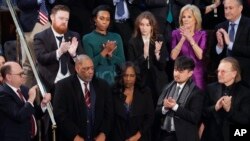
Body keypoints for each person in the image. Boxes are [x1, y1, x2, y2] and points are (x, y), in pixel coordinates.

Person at [34, 5, 84, 93]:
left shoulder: (74, 36)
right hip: (53, 82)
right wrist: (59, 52)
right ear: (52, 17)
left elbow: (83, 60)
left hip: (72, 80)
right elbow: (41, 58)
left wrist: (74, 55)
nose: (64, 22)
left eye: (66, 19)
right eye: (61, 18)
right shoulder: (40, 37)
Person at [201, 57, 250, 141]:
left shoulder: (245, 93)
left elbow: (246, 119)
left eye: (223, 71)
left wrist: (229, 110)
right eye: (218, 71)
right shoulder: (210, 88)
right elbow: (201, 113)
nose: (219, 74)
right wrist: (215, 107)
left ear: (234, 73)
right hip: (211, 136)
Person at [156, 56, 204, 141]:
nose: (176, 74)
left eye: (181, 71)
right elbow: (156, 111)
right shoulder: (167, 87)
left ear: (190, 73)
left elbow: (195, 117)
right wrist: (165, 108)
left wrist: (175, 107)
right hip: (164, 134)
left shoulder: (196, 92)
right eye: (175, 70)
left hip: (182, 136)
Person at [0, 61, 51, 141]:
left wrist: (43, 104)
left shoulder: (24, 89)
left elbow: (32, 114)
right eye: (20, 74)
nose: (23, 76)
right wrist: (31, 99)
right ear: (9, 77)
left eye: (23, 73)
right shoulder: (2, 94)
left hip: (30, 137)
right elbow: (19, 115)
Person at [128, 11, 168, 106]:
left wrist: (157, 54)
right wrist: (144, 56)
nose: (144, 28)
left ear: (152, 26)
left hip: (158, 80)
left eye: (147, 25)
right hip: (142, 80)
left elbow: (163, 66)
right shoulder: (132, 42)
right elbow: (132, 66)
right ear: (138, 26)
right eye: (141, 24)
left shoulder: (159, 38)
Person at [82, 5, 125, 85]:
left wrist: (111, 55)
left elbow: (123, 63)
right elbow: (89, 66)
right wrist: (104, 51)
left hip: (116, 81)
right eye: (101, 18)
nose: (105, 22)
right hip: (96, 81)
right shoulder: (87, 38)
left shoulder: (116, 37)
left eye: (107, 19)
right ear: (95, 19)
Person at [112, 62, 154, 141]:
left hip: (140, 137)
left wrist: (137, 136)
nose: (128, 79)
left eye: (132, 76)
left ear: (136, 76)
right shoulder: (113, 92)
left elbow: (150, 117)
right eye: (125, 75)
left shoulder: (145, 92)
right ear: (121, 76)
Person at [211, 0, 250, 86]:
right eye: (225, 8)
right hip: (224, 77)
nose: (227, 11)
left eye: (231, 8)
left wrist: (230, 44)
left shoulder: (248, 24)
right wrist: (219, 47)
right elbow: (213, 56)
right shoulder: (219, 27)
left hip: (245, 76)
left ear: (240, 8)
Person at [17, 0, 55, 88]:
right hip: (30, 26)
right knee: (28, 64)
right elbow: (20, 4)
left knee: (49, 63)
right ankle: (26, 96)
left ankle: (47, 96)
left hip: (50, 23)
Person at [171, 4, 207, 90]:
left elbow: (200, 55)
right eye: (184, 17)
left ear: (195, 19)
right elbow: (173, 57)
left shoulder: (202, 34)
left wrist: (190, 38)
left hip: (197, 72)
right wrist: (182, 39)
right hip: (181, 72)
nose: (186, 19)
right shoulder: (175, 33)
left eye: (189, 17)